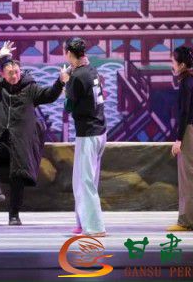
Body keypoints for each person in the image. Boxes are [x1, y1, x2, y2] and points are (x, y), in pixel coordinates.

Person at [0, 40, 66, 225]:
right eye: (10, 73)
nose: (14, 75)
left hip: (20, 140)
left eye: (16, 72)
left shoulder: (30, 88)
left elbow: (48, 95)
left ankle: (14, 215)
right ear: (2, 74)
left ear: (20, 71)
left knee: (18, 176)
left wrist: (60, 82)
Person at [63, 37, 107, 237]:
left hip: (88, 133)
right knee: (84, 180)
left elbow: (68, 106)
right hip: (98, 130)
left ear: (69, 54)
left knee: (85, 182)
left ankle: (95, 227)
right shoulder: (90, 70)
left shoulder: (77, 76)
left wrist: (66, 82)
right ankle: (82, 222)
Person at [168, 45, 193, 232]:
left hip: (190, 133)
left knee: (188, 179)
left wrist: (178, 140)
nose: (172, 65)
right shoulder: (192, 81)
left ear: (182, 64)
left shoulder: (186, 83)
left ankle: (186, 221)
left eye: (173, 61)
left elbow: (184, 113)